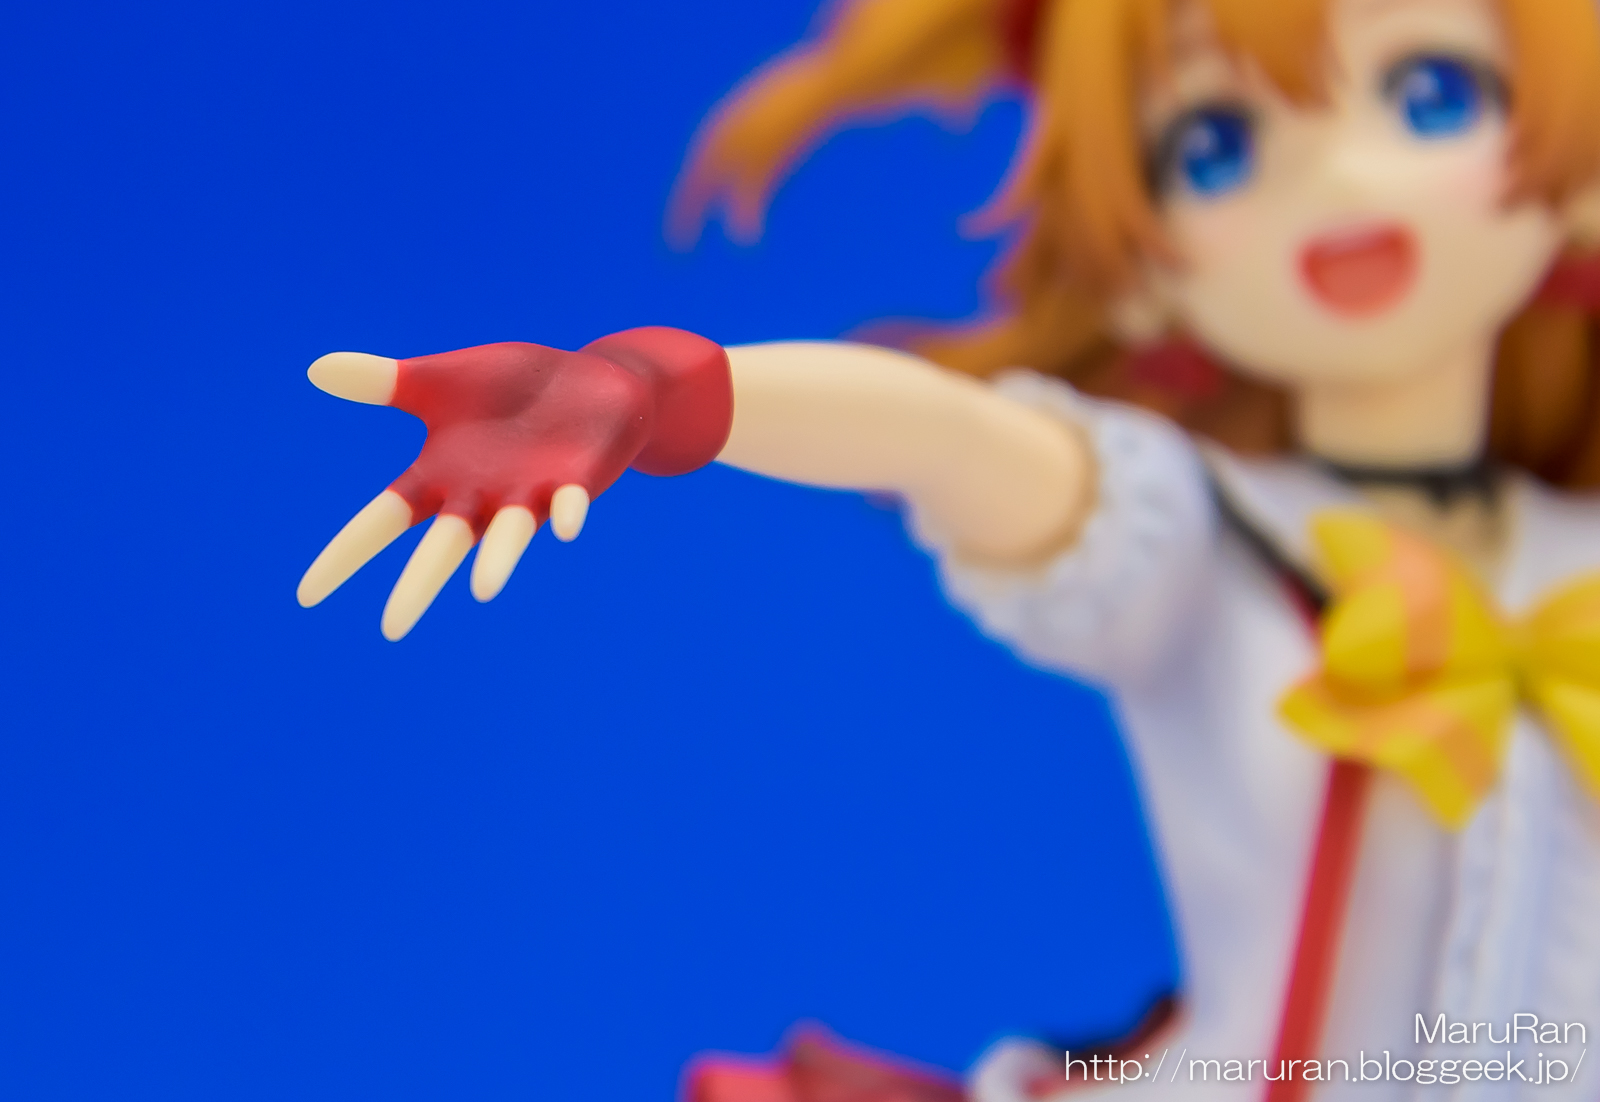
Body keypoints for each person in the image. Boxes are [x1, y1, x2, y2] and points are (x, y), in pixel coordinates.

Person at [294, 0, 1600, 1099]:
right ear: (1144, 273)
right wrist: (668, 391)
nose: (1343, 176)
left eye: (1433, 94)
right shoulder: (1206, 534)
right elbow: (958, 442)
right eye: (1216, 145)